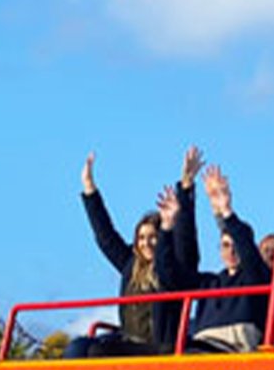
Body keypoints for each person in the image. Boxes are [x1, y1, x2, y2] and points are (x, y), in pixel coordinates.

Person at [64, 147, 203, 358]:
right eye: (141, 238)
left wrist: (185, 187)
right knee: (79, 347)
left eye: (153, 236)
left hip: (160, 347)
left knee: (98, 352)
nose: (147, 243)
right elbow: (106, 237)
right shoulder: (131, 265)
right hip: (129, 341)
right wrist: (89, 189)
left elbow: (186, 238)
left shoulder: (174, 268)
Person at [155, 164, 271, 352]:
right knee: (100, 350)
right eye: (225, 245)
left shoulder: (256, 279)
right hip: (199, 346)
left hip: (232, 351)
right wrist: (167, 228)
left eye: (236, 246)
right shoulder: (208, 283)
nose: (231, 252)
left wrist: (226, 211)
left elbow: (249, 255)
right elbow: (168, 275)